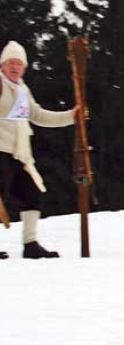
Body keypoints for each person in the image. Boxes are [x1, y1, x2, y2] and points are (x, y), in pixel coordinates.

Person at [0, 40, 80, 259]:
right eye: (10, 63)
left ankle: (30, 243)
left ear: (24, 67)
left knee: (31, 194)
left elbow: (37, 115)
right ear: (2, 66)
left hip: (20, 154)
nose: (15, 67)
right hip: (0, 149)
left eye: (19, 63)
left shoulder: (23, 90)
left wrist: (70, 117)